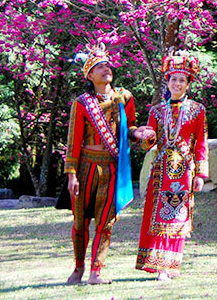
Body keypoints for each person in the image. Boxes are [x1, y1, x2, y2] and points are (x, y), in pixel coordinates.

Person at [63, 43, 155, 285]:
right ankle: (78, 267)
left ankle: (96, 272)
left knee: (106, 221)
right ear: (90, 75)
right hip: (86, 167)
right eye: (99, 66)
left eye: (107, 65)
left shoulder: (124, 97)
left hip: (112, 167)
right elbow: (73, 141)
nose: (106, 69)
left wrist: (140, 134)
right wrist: (71, 174)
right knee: (80, 220)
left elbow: (131, 127)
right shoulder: (82, 104)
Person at [136, 50, 209, 281]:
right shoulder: (156, 111)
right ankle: (158, 265)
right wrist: (145, 135)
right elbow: (150, 143)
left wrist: (201, 173)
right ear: (167, 82)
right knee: (158, 216)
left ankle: (170, 266)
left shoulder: (198, 110)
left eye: (181, 80)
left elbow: (201, 143)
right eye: (173, 79)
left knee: (176, 216)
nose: (177, 83)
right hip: (161, 170)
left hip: (183, 171)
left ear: (188, 83)